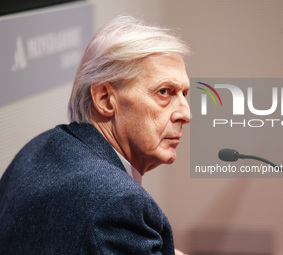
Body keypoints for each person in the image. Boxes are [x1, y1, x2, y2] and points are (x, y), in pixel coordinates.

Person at [0, 16, 190, 254]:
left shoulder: (38, 150)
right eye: (164, 92)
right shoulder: (118, 206)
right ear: (104, 99)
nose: (185, 113)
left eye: (184, 94)